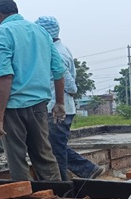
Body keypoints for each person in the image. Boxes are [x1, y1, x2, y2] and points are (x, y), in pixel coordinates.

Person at [0, 0, 66, 181]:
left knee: (17, 160)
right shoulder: (41, 32)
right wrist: (60, 103)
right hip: (39, 106)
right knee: (44, 157)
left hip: (13, 108)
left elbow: (5, 76)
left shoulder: (1, 33)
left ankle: (24, 198)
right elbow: (58, 70)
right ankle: (58, 196)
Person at [34, 16, 105, 181]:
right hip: (58, 106)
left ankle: (63, 184)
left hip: (57, 108)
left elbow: (70, 84)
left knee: (55, 148)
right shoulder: (61, 49)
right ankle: (88, 170)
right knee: (55, 145)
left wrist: (65, 96)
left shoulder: (57, 53)